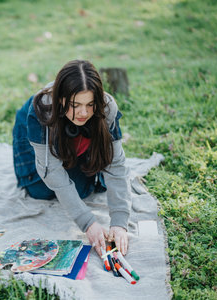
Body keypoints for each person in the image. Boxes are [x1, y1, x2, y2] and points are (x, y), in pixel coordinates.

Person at [12, 60, 131, 256]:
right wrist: (88, 222)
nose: (83, 113)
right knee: (40, 189)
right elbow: (51, 172)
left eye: (90, 104)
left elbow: (116, 165)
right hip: (33, 132)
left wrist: (119, 222)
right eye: (75, 105)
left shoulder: (107, 107)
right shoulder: (42, 108)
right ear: (61, 100)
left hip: (72, 133)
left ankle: (76, 152)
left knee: (82, 188)